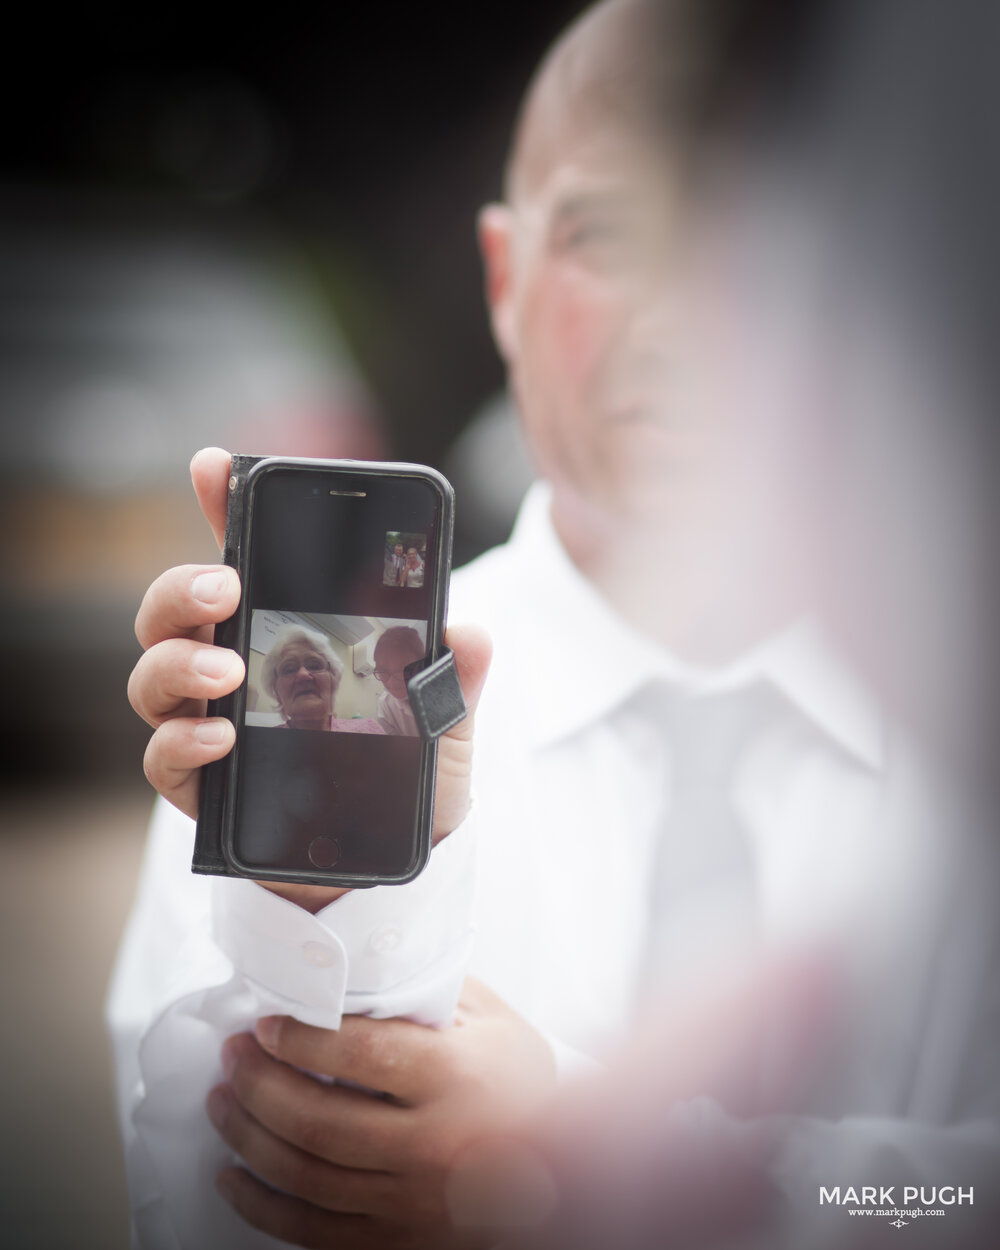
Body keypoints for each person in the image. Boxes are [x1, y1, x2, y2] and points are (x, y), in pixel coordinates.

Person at [111, 2, 998, 1247]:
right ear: (503, 280)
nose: (682, 311)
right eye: (607, 233)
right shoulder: (274, 723)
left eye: (746, 234)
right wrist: (320, 920)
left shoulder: (973, 746)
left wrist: (609, 1175)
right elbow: (195, 1204)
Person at [259, 623, 383, 733]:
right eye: (289, 669)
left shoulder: (368, 729)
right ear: (276, 691)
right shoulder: (260, 741)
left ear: (332, 683)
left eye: (314, 665)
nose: (303, 675)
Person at [372, 625, 424, 737]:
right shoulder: (385, 705)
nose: (391, 683)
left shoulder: (440, 697)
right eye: (383, 671)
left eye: (402, 670)